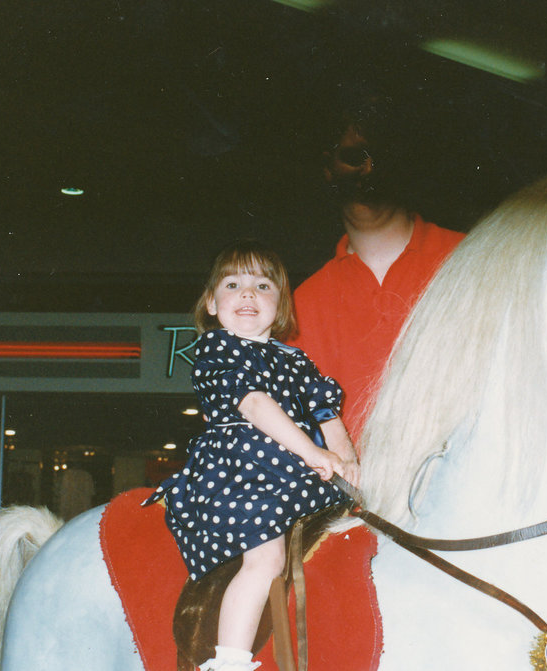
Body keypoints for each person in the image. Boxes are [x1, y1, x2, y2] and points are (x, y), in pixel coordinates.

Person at [144, 241, 360, 671]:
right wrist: (313, 451)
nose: (247, 294)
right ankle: (229, 662)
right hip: (239, 467)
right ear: (211, 303)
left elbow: (326, 413)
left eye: (262, 285)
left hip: (292, 466)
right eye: (233, 284)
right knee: (266, 560)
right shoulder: (217, 349)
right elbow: (254, 404)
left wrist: (348, 462)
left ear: (279, 305)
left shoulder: (296, 360)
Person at [290, 95, 464, 441]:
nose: (368, 169)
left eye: (379, 157)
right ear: (328, 169)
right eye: (354, 157)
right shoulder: (305, 302)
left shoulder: (468, 257)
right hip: (351, 493)